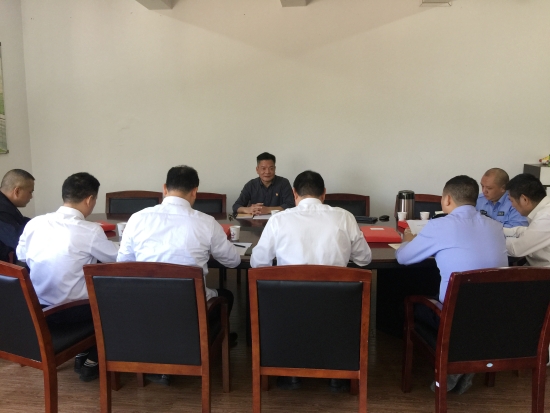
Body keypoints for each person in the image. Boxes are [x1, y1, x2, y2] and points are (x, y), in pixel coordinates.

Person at [117, 165, 241, 385]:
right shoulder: (206, 222)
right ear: (195, 191)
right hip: (190, 311)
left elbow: (123, 265)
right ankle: (202, 345)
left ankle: (159, 357)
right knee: (226, 296)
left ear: (164, 188)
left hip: (146, 307)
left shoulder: (136, 219)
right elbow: (233, 261)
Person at [251, 170, 371, 391]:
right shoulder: (344, 217)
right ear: (324, 193)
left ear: (294, 193)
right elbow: (364, 259)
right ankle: (337, 374)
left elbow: (258, 263)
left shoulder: (278, 220)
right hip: (337, 306)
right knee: (334, 312)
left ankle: (290, 373)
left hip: (289, 307)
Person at [396, 175, 508, 394]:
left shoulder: (440, 226)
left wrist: (408, 240)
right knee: (469, 304)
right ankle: (468, 358)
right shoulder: (496, 226)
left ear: (447, 199)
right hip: (494, 317)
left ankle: (453, 358)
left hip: (454, 319)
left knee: (410, 303)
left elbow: (403, 258)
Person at [16, 172, 118, 382]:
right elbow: (118, 258)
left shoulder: (35, 223)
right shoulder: (89, 230)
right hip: (72, 312)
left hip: (39, 309)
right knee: (118, 298)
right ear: (89, 199)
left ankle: (84, 349)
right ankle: (95, 355)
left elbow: (21, 256)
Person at [504, 173, 550, 267]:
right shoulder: (544, 211)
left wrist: (490, 240)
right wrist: (499, 230)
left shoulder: (546, 217)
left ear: (524, 199)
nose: (512, 205)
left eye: (511, 201)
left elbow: (516, 249)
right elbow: (529, 232)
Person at [0, 169, 35, 261]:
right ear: (17, 191)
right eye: (30, 192)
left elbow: (20, 221)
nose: (31, 196)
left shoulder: (5, 205)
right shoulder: (2, 211)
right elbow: (19, 241)